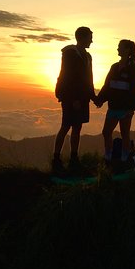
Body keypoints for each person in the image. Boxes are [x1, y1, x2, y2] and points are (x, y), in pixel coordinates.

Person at [52, 26, 97, 173]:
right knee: (66, 126)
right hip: (71, 98)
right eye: (90, 37)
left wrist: (93, 97)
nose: (92, 40)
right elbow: (68, 77)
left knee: (77, 128)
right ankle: (56, 159)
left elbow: (88, 79)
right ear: (82, 38)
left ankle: (73, 158)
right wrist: (73, 99)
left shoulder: (87, 56)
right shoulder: (70, 54)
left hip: (82, 98)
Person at [95, 39, 135, 166]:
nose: (117, 49)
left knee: (125, 133)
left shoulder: (132, 68)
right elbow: (107, 86)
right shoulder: (114, 67)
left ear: (126, 50)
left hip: (125, 108)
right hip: (114, 106)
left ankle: (124, 158)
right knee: (106, 132)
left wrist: (132, 108)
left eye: (119, 47)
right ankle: (108, 156)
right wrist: (100, 99)